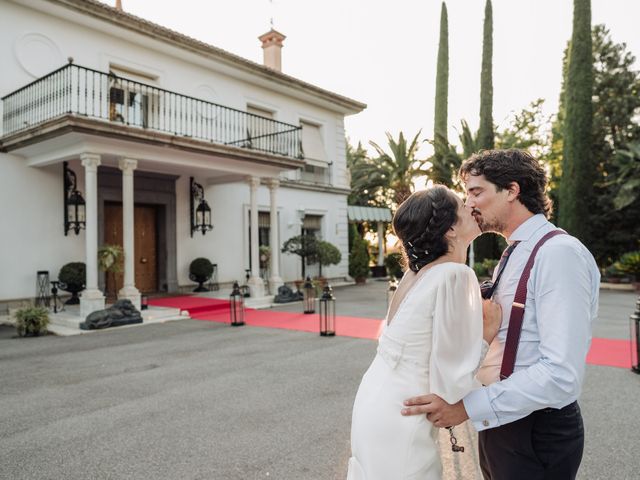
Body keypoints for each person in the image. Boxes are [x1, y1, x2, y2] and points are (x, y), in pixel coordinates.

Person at [401, 149, 600, 480]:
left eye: (476, 192)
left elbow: (561, 374)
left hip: (535, 429)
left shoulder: (558, 254)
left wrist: (466, 408)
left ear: (512, 190)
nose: (469, 205)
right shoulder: (516, 252)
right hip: (500, 419)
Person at [347, 185, 503, 480]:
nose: (471, 206)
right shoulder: (455, 274)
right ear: (450, 231)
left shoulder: (415, 274)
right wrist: (487, 334)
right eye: (461, 205)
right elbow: (452, 380)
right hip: (403, 415)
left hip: (375, 402)